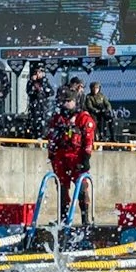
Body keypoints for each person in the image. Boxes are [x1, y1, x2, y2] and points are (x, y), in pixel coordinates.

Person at [46, 75, 97, 224]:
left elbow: (88, 140)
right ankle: (63, 219)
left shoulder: (83, 118)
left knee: (81, 188)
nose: (65, 104)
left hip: (77, 158)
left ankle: (85, 220)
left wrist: (86, 159)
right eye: (63, 101)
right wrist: (52, 156)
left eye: (68, 101)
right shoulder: (57, 119)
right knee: (62, 188)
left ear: (75, 101)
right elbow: (51, 138)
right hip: (61, 158)